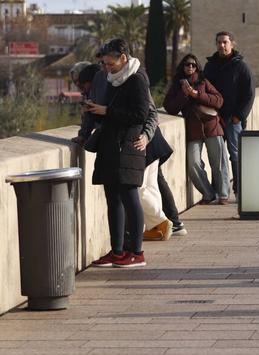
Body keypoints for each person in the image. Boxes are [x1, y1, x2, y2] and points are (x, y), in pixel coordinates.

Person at [84, 38, 154, 268]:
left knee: (130, 198)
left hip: (128, 147)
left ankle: (136, 251)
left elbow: (140, 114)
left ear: (123, 58)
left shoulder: (137, 79)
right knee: (113, 199)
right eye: (104, 64)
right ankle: (117, 250)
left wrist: (107, 110)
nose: (107, 68)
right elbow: (111, 112)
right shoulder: (114, 80)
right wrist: (95, 111)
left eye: (110, 63)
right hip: (112, 147)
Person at [163, 53, 230, 206]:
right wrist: (184, 95)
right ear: (183, 66)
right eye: (187, 64)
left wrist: (196, 94)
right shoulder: (177, 85)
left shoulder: (203, 82)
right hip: (193, 130)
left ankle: (223, 194)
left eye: (193, 65)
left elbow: (218, 101)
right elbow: (169, 107)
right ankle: (208, 193)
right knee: (193, 163)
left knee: (219, 163)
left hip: (212, 126)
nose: (190, 67)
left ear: (197, 67)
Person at [203, 31, 254, 196]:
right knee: (216, 156)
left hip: (233, 120)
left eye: (225, 42)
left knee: (235, 155)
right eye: (219, 42)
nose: (221, 45)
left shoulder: (241, 66)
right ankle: (218, 190)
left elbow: (249, 93)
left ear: (232, 44)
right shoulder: (210, 66)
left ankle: (239, 189)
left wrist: (239, 115)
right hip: (214, 119)